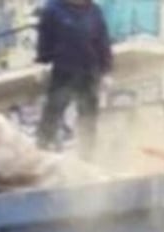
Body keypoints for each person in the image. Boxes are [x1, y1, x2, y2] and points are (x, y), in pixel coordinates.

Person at [35, 0, 113, 158]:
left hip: (89, 72)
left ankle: (87, 156)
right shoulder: (53, 8)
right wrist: (42, 62)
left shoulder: (95, 11)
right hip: (63, 70)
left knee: (89, 117)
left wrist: (106, 72)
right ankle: (42, 149)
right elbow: (45, 37)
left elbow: (103, 42)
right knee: (53, 109)